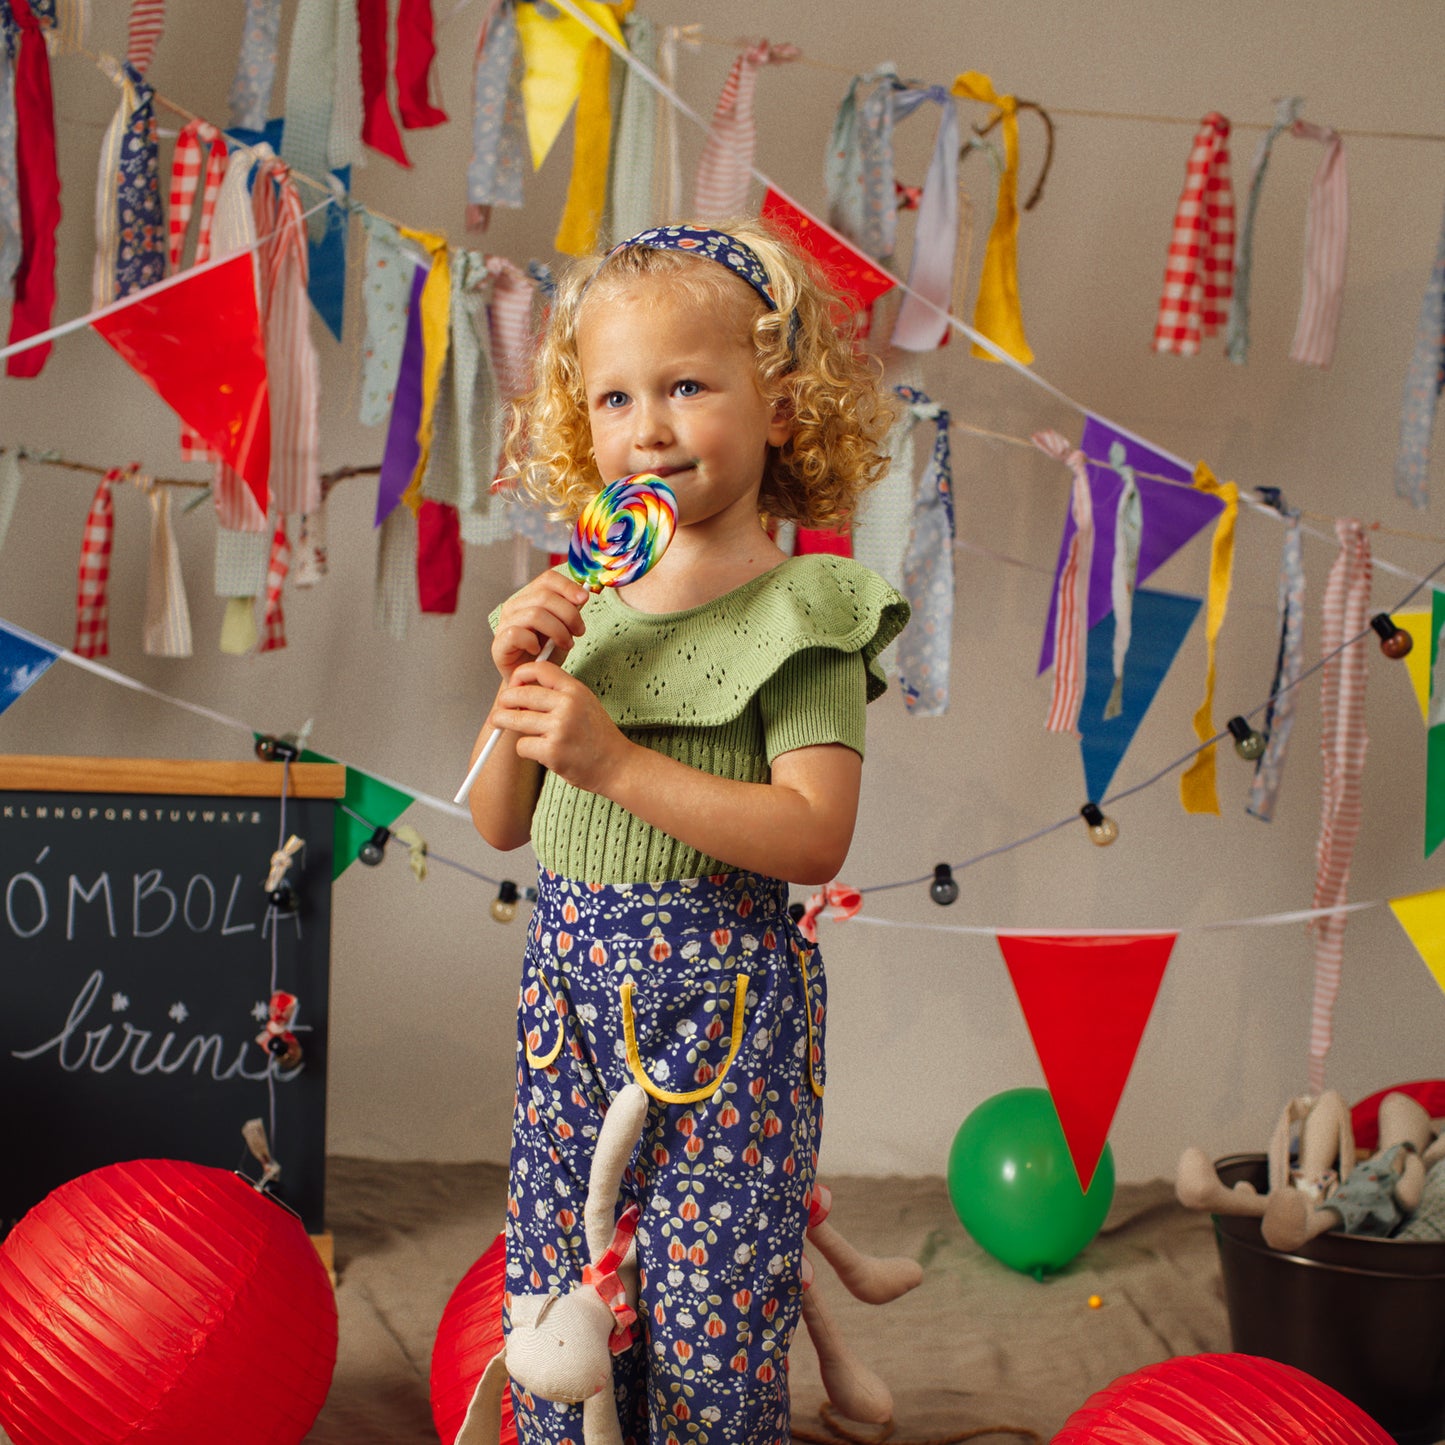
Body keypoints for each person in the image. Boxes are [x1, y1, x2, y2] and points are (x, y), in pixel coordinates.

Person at [464, 219, 910, 1445]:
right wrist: (516, 686)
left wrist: (611, 758)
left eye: (685, 387)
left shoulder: (803, 609)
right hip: (568, 1008)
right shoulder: (589, 605)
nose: (646, 428)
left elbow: (813, 835)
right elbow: (499, 822)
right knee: (559, 1282)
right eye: (614, 398)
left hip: (724, 1015)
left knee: (710, 1299)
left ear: (781, 407)